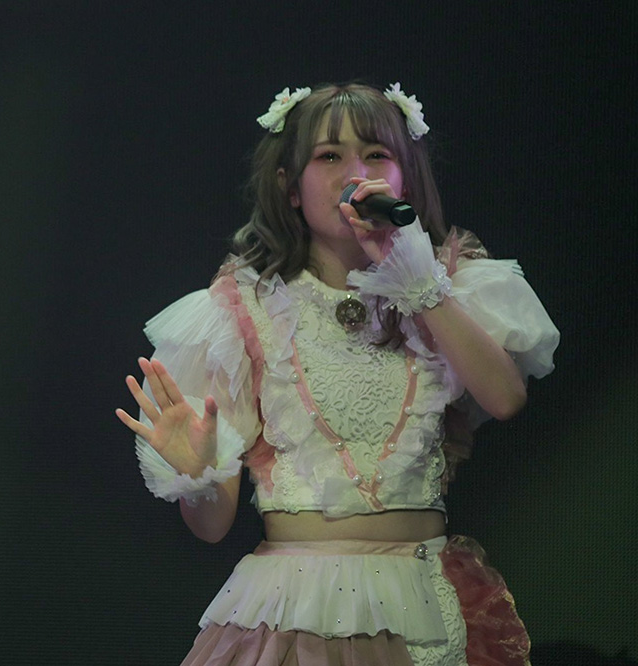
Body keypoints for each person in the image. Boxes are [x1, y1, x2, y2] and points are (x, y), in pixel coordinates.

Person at [115, 82, 559, 666]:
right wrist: (197, 473)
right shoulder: (243, 310)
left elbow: (505, 397)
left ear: (404, 180)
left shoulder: (449, 288)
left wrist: (417, 281)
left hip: (420, 597)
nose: (355, 173)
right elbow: (212, 526)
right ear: (290, 186)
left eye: (376, 154)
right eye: (329, 156)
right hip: (295, 606)